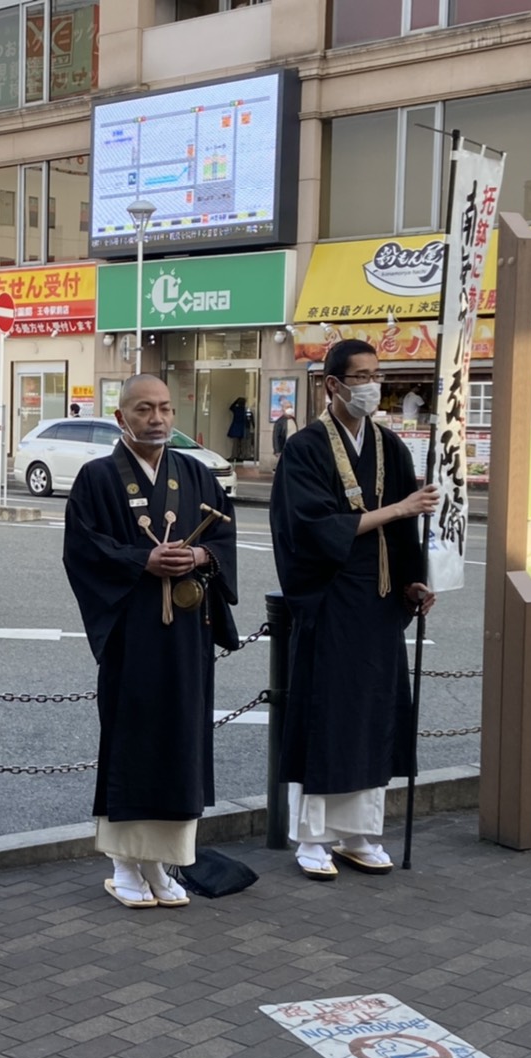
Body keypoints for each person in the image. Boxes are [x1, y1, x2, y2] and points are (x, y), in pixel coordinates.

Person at [63, 374, 238, 909]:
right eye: (144, 409)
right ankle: (124, 864)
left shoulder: (194, 472)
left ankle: (164, 865)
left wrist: (202, 557)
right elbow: (83, 552)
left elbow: (224, 536)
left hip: (187, 637)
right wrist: (143, 559)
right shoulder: (96, 478)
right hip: (133, 635)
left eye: (164, 408)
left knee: (180, 743)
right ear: (121, 418)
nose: (157, 418)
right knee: (132, 741)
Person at [268, 340, 439, 881]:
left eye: (376, 373)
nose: (371, 385)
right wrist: (398, 507)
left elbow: (407, 532)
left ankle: (361, 833)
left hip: (381, 598)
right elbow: (312, 530)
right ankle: (314, 838)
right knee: (328, 715)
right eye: (359, 376)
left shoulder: (391, 445)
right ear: (332, 384)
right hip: (331, 596)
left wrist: (415, 583)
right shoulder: (307, 448)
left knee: (374, 712)